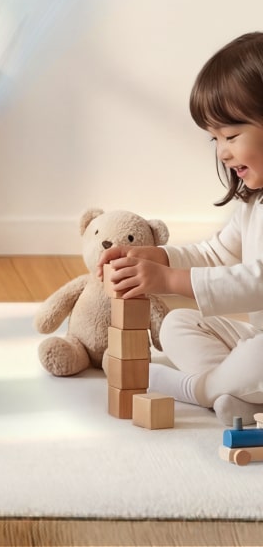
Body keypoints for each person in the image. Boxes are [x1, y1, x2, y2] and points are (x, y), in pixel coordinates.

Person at [98, 32, 263, 426]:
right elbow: (217, 253)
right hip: (255, 344)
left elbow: (257, 282)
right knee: (178, 323)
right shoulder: (253, 203)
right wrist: (162, 258)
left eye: (231, 135)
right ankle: (238, 397)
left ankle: (195, 389)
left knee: (256, 356)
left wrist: (171, 279)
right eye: (215, 139)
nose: (222, 151)